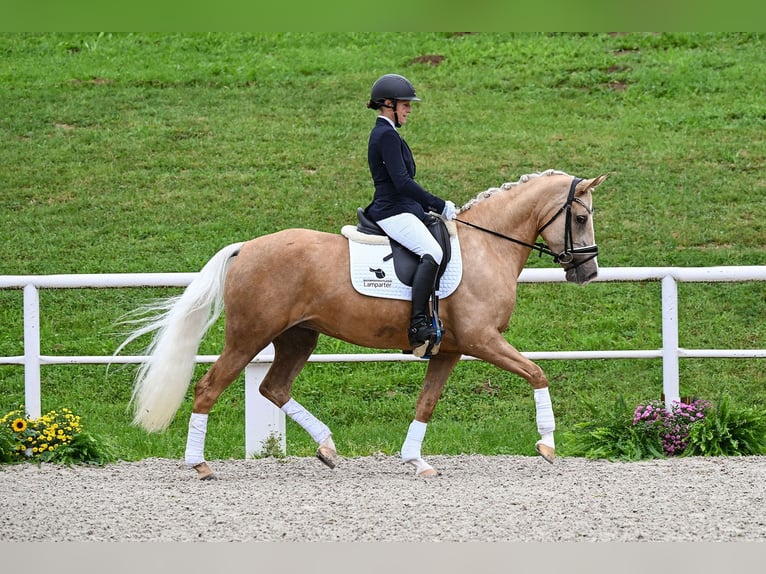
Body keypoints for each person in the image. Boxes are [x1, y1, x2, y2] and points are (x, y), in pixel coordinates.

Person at [364, 73, 457, 349]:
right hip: (391, 211)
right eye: (405, 105)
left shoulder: (388, 134)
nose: (409, 110)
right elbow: (402, 182)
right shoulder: (385, 135)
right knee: (434, 253)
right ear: (388, 104)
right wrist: (438, 204)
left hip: (402, 208)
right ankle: (418, 323)